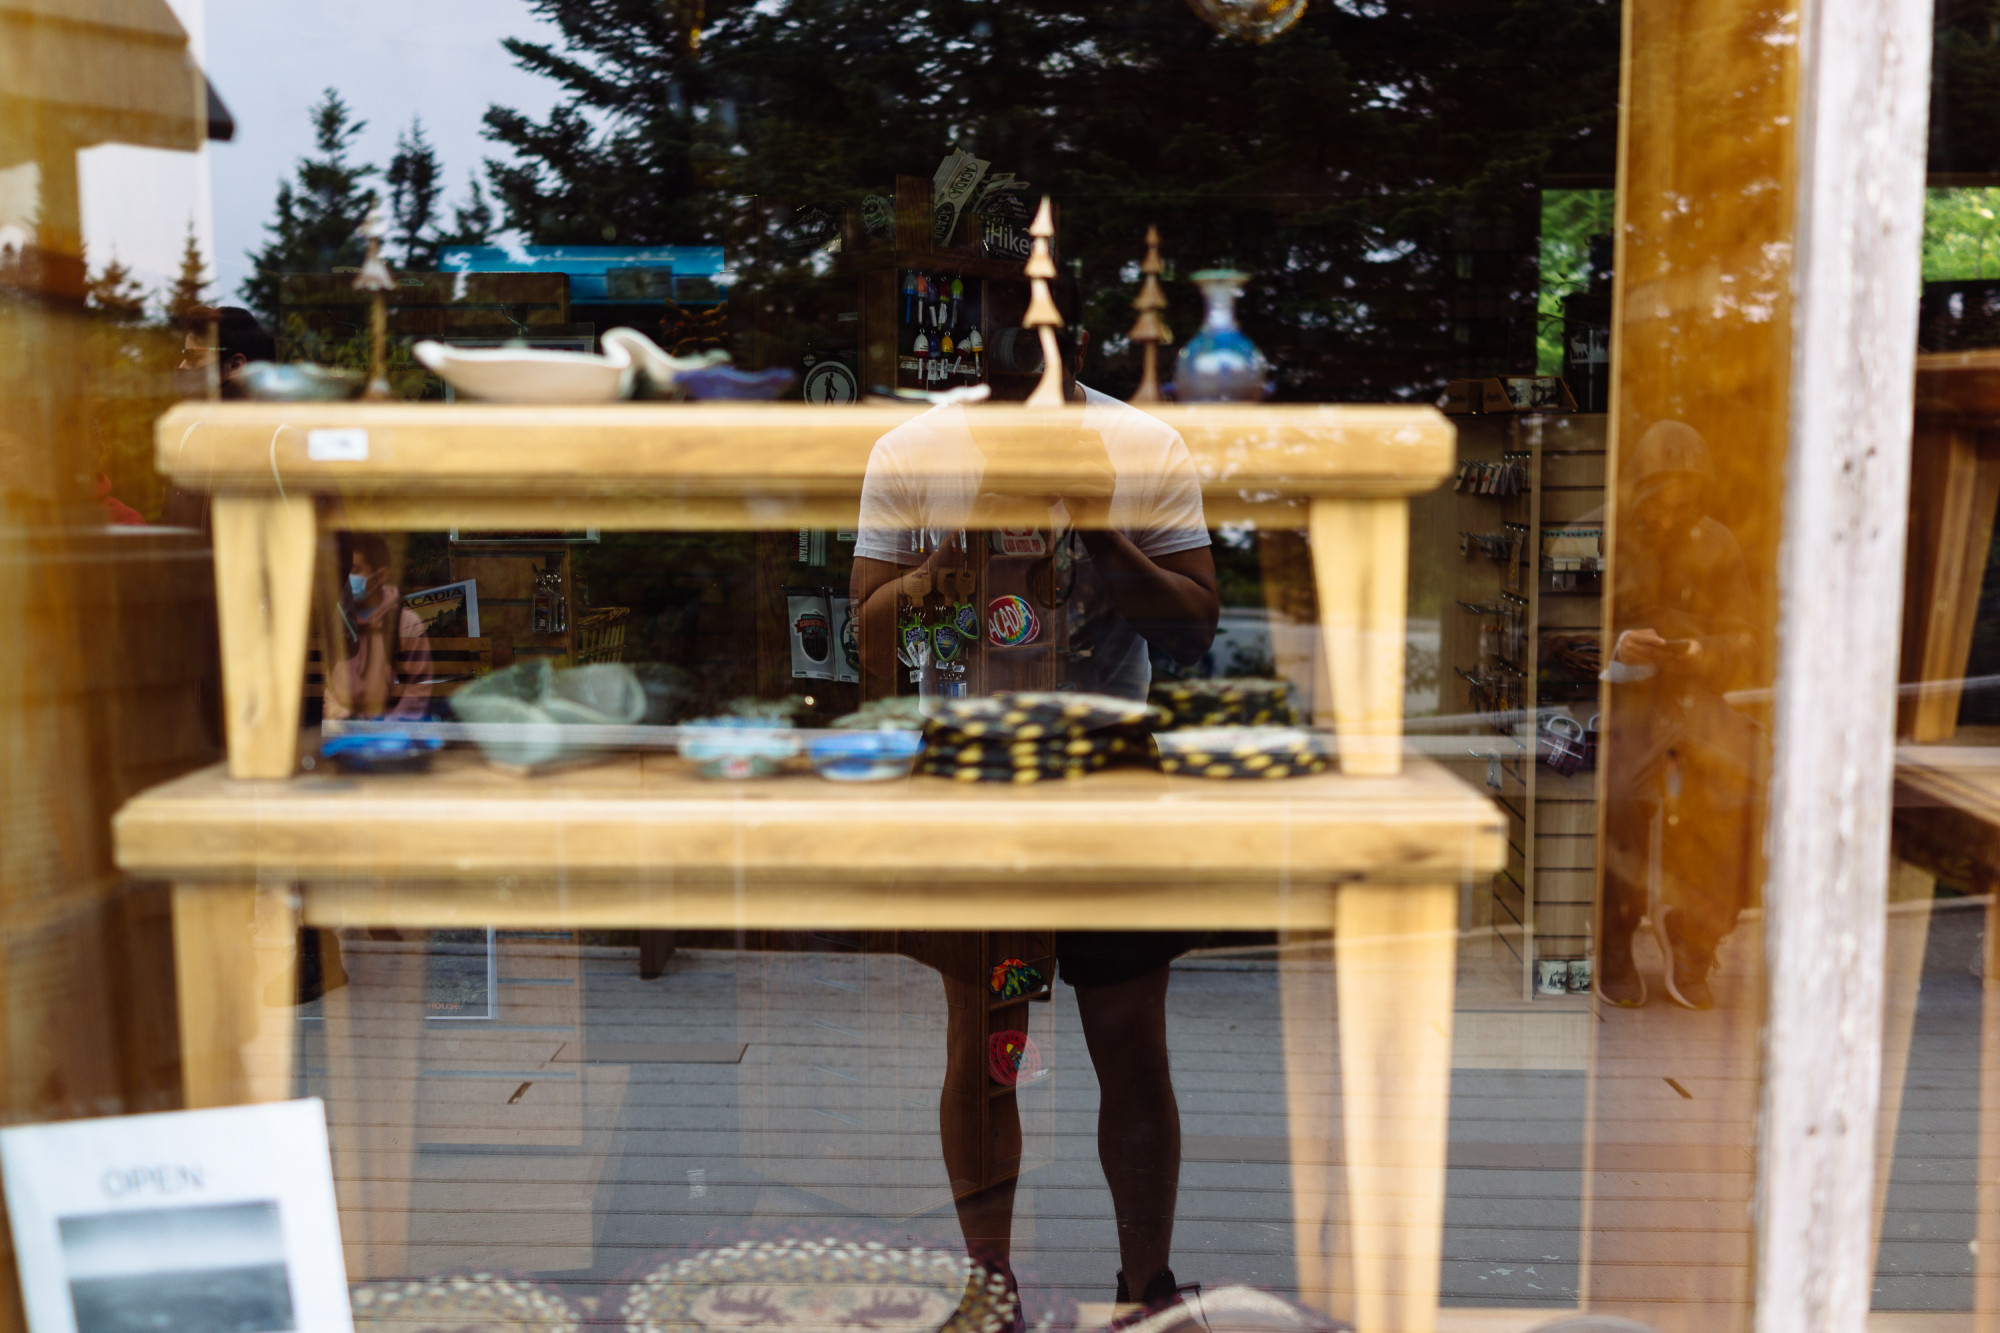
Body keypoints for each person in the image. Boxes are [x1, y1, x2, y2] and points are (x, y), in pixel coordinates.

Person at [850, 319, 1220, 1312]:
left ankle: (1144, 1287)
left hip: (1105, 775)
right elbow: (872, 645)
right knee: (989, 1043)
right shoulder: (915, 450)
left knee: (1127, 1038)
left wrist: (1100, 529)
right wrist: (958, 549)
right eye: (1002, 344)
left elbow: (1192, 630)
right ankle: (991, 1286)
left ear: (1081, 342)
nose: (1019, 365)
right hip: (977, 774)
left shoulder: (1141, 446)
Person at [1597, 420, 1766, 1010]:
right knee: (1620, 797)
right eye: (1659, 502)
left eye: (1684, 502)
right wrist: (1614, 646)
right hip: (1620, 703)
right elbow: (1546, 632)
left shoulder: (1719, 542)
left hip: (1695, 701)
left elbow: (1747, 641)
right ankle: (1613, 939)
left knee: (1750, 786)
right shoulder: (1596, 534)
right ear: (1636, 490)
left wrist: (1703, 653)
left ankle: (1696, 932)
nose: (1670, 515)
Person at [164, 306, 276, 533]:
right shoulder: (188, 440)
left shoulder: (280, 444)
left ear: (235, 366)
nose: (182, 367)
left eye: (193, 357)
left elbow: (328, 548)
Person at [323, 532, 433, 721]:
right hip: (341, 728)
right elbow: (326, 685)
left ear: (381, 575)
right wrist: (339, 717)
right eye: (343, 571)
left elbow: (418, 686)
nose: (347, 578)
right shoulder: (336, 619)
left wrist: (390, 726)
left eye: (355, 570)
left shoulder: (406, 622)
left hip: (390, 731)